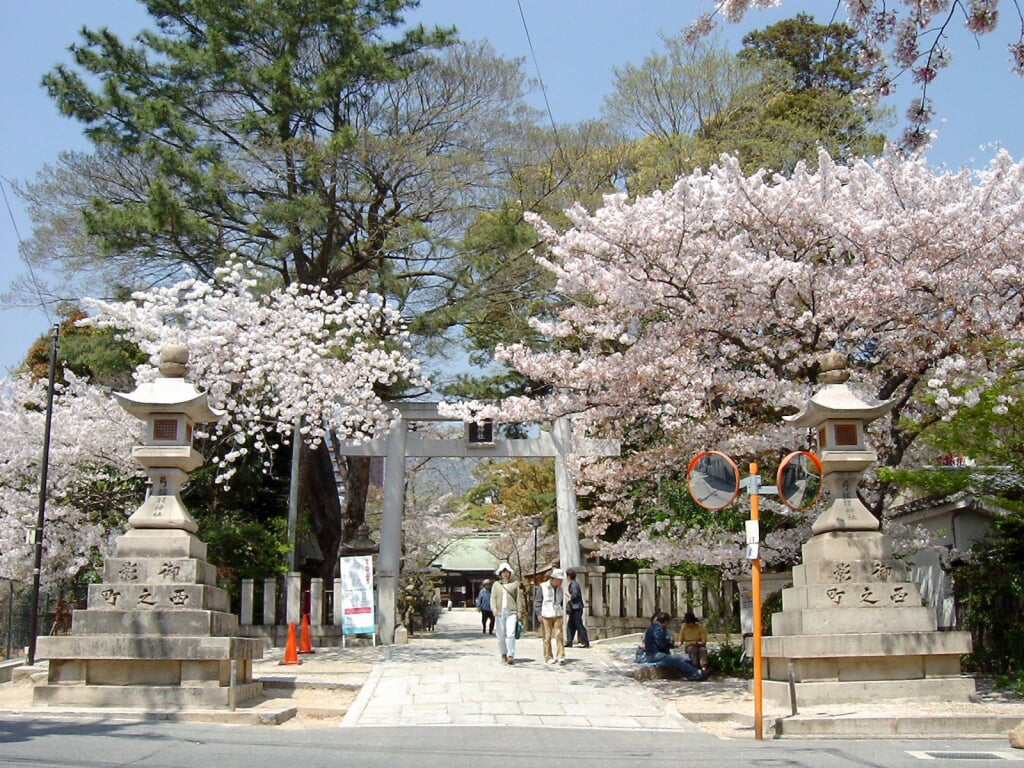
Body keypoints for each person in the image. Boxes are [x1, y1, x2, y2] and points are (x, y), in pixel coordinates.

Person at [641, 611, 708, 681]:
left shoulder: (654, 627)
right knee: (677, 660)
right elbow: (662, 643)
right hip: (655, 655)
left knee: (682, 659)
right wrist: (672, 645)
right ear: (666, 621)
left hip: (653, 655)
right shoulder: (658, 628)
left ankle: (693, 672)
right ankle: (695, 674)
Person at [490, 562, 521, 665]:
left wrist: (519, 611)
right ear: (500, 573)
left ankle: (511, 654)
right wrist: (494, 608)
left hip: (511, 611)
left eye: (507, 571)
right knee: (501, 634)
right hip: (499, 612)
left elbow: (518, 598)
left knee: (511, 633)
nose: (505, 574)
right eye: (503, 572)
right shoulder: (496, 585)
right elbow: (493, 598)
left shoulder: (515, 584)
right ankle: (503, 653)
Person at [539, 568, 566, 664]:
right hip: (546, 614)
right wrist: (539, 614)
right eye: (559, 580)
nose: (561, 582)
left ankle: (560, 655)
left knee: (559, 635)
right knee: (547, 637)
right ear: (553, 579)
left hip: (558, 613)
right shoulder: (543, 587)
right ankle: (548, 656)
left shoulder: (560, 589)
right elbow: (538, 601)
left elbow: (562, 602)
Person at [564, 568, 590, 648]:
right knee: (571, 625)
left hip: (576, 608)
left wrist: (568, 594)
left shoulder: (574, 585)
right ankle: (569, 641)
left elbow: (574, 596)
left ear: (568, 576)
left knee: (578, 625)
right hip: (575, 608)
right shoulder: (574, 584)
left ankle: (585, 642)